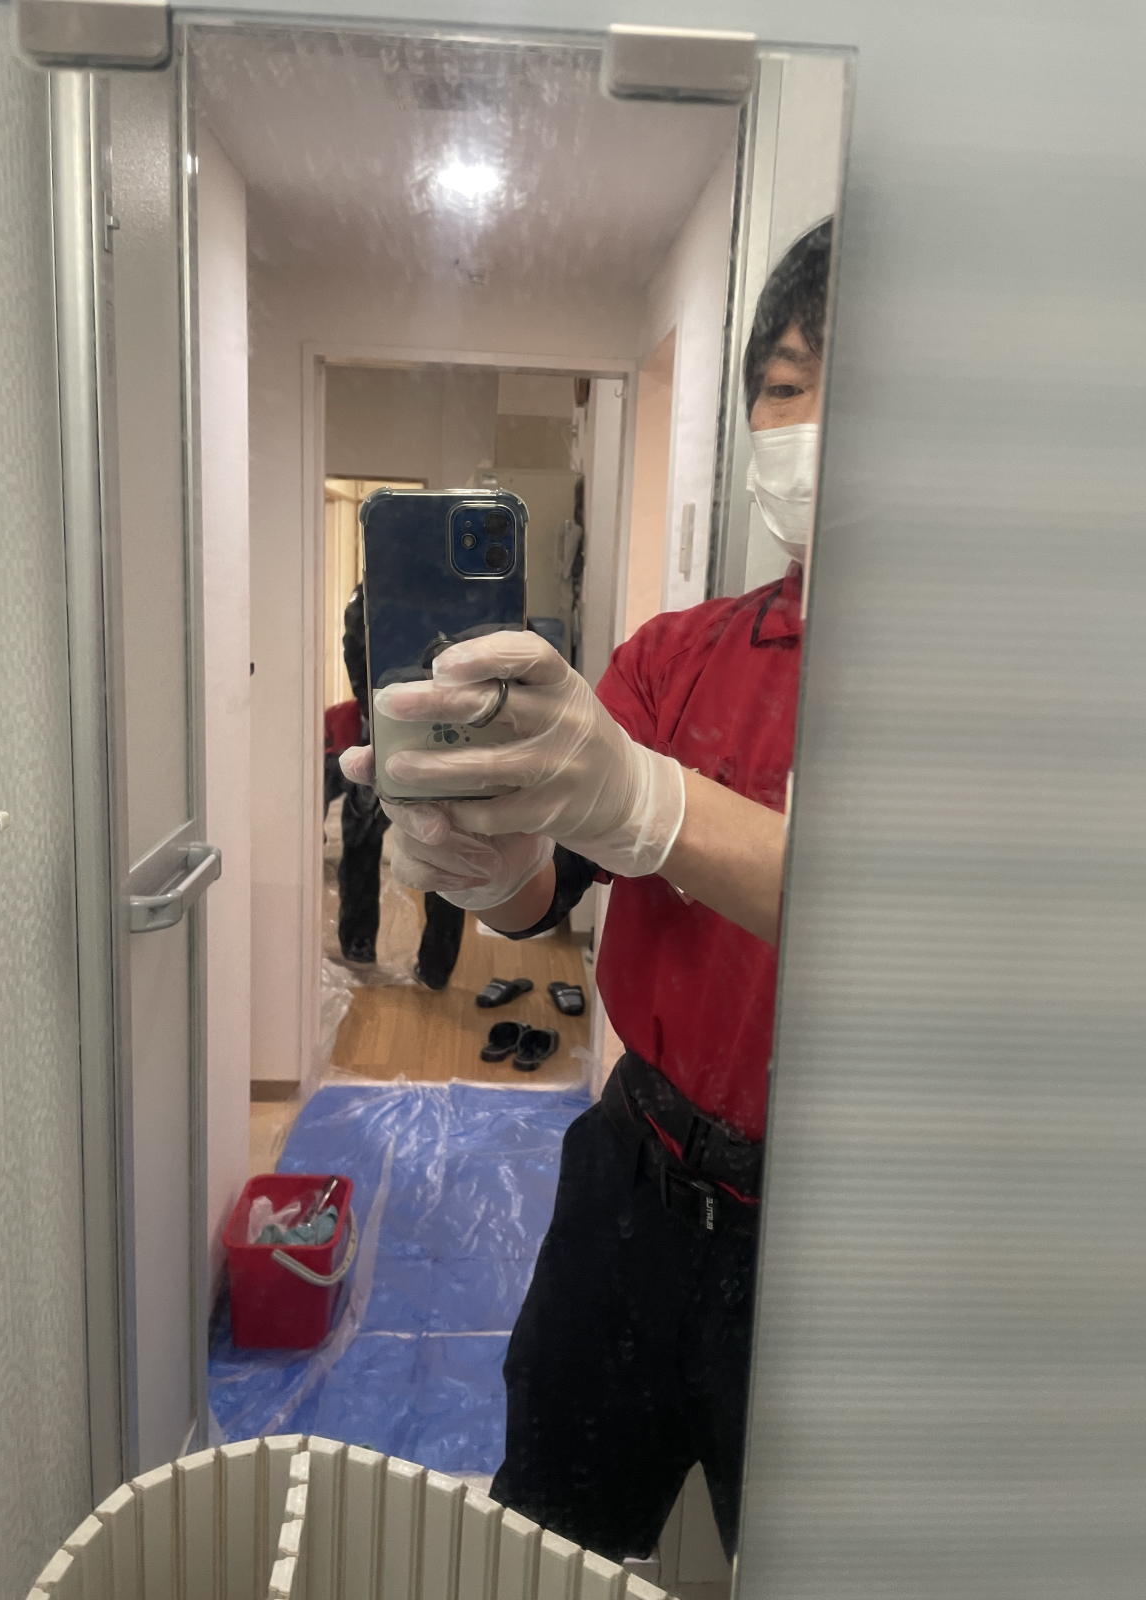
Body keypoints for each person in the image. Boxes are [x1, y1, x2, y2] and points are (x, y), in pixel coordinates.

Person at [342, 220, 831, 1560]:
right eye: (787, 386)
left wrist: (654, 804)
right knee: (544, 1539)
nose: (811, 424)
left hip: (841, 1243)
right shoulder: (680, 656)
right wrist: (494, 870)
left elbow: (907, 924)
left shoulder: (1005, 702)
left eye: (856, 388)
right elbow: (550, 891)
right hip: (634, 1176)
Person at [331, 584, 466, 988]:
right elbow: (355, 653)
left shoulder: (381, 590)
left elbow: (355, 653)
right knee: (426, 845)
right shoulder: (375, 591)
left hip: (427, 732)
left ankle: (416, 961)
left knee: (440, 847)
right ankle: (421, 963)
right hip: (408, 733)